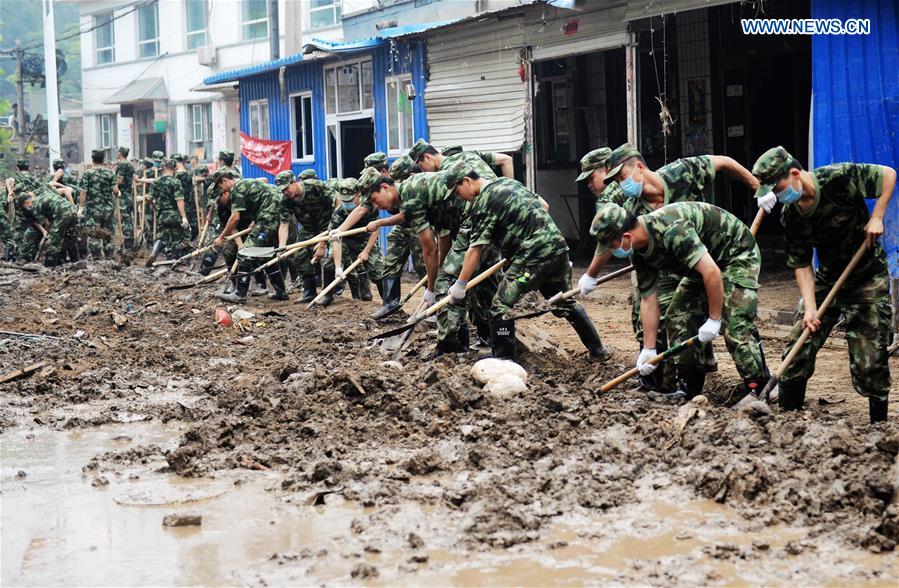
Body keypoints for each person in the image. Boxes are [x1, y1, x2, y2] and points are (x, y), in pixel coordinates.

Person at [583, 143, 768, 391]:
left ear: (639, 167)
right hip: (689, 263)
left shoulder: (675, 204)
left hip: (732, 254)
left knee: (734, 321)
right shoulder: (634, 227)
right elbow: (649, 300)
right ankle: (688, 388)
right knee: (678, 315)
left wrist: (713, 320)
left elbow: (711, 272)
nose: (620, 185)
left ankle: (759, 386)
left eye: (621, 177)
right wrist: (648, 350)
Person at [751, 146, 895, 423]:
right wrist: (810, 308)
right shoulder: (790, 215)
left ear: (794, 174)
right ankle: (789, 420)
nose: (777, 195)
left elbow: (887, 174)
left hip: (866, 276)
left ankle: (879, 428)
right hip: (828, 278)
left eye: (777, 187)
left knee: (870, 360)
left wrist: (877, 215)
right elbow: (802, 264)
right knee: (798, 346)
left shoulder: (838, 178)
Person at [444, 161, 609, 361]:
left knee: (499, 307)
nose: (458, 197)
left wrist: (460, 284)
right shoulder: (509, 183)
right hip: (557, 247)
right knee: (563, 301)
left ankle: (504, 362)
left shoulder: (484, 201)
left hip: (533, 255)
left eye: (456, 191)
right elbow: (544, 206)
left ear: (467, 181)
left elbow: (475, 249)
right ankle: (598, 351)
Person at [212, 169, 291, 303]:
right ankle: (281, 291)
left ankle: (240, 294)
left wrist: (221, 237)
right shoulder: (245, 184)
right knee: (264, 254)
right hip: (273, 212)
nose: (222, 190)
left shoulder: (237, 189)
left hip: (270, 214)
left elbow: (235, 218)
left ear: (225, 181)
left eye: (220, 186)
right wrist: (255, 222)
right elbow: (263, 197)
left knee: (245, 252)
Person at [319, 178, 384, 306]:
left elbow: (375, 230)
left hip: (364, 240)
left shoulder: (369, 207)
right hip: (346, 241)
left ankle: (388, 302)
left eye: (349, 200)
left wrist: (366, 251)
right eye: (344, 200)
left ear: (358, 195)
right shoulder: (339, 213)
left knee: (378, 270)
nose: (346, 203)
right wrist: (338, 267)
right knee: (330, 264)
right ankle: (327, 296)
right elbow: (336, 239)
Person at [275, 170, 333, 303]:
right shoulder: (285, 201)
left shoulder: (316, 187)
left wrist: (322, 244)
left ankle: (329, 294)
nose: (285, 192)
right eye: (282, 190)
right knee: (299, 253)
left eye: (286, 188)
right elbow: (284, 224)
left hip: (329, 226)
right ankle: (309, 291)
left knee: (332, 255)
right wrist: (282, 246)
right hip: (308, 228)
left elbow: (337, 203)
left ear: (294, 182)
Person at [18, 188, 79, 266]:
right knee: (70, 236)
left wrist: (48, 234)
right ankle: (76, 261)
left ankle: (50, 264)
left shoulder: (35, 206)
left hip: (62, 213)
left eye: (25, 205)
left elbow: (47, 223)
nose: (27, 208)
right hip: (72, 210)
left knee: (54, 240)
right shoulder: (44, 194)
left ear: (27, 202)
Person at [78, 149, 117, 258]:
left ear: (92, 159)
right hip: (108, 209)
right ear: (103, 159)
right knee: (108, 234)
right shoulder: (110, 172)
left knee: (94, 235)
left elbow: (83, 191)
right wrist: (118, 193)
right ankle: (109, 258)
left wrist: (81, 207)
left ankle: (96, 259)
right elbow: (115, 190)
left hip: (93, 209)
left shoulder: (88, 173)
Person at [152, 159, 191, 259]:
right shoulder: (176, 182)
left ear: (164, 168)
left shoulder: (156, 181)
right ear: (174, 168)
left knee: (163, 236)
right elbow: (179, 200)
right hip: (173, 213)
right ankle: (174, 258)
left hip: (161, 214)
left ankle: (155, 252)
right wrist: (184, 217)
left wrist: (154, 205)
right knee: (176, 237)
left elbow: (149, 197)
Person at [114, 147, 135, 245]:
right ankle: (130, 240)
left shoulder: (122, 164)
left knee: (125, 218)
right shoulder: (129, 164)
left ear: (120, 153)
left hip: (124, 194)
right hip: (129, 193)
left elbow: (120, 178)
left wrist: (115, 186)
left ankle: (128, 242)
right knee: (128, 218)